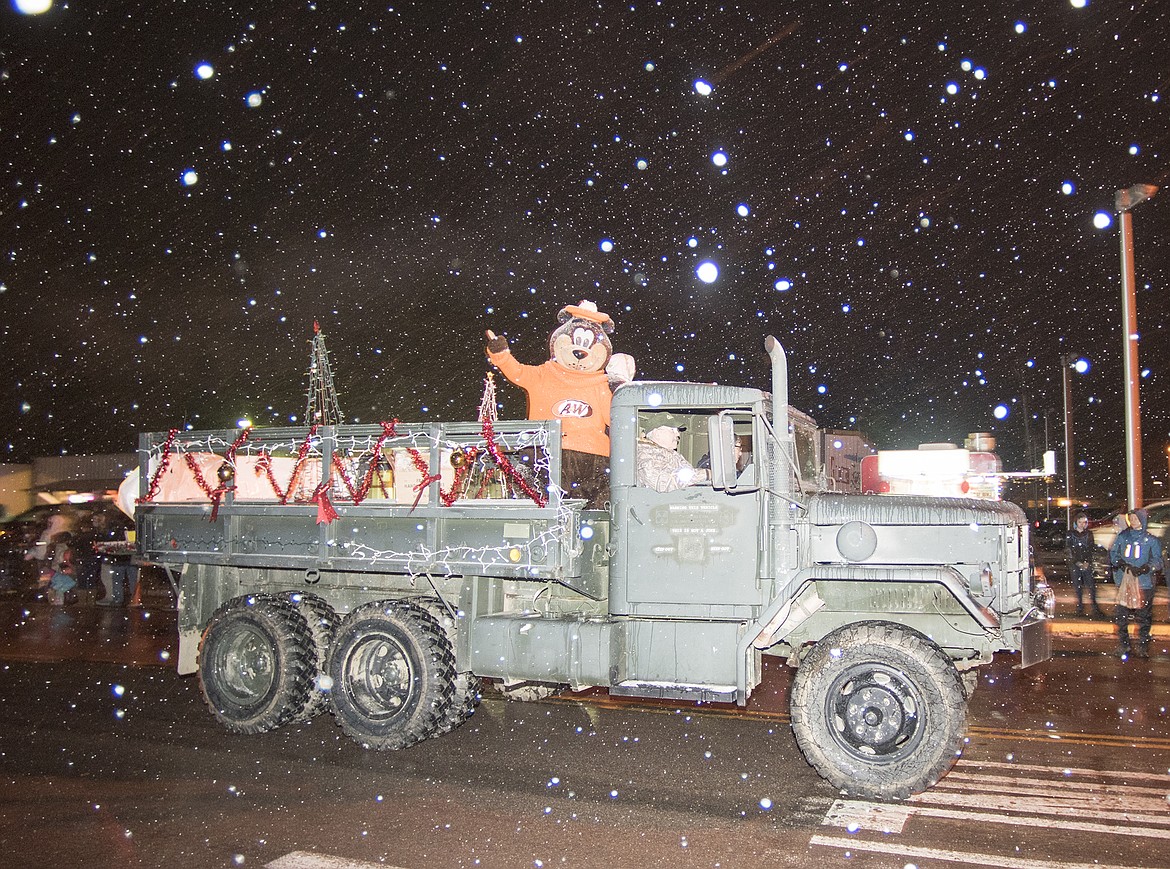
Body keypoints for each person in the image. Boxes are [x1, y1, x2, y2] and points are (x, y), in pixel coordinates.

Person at [1108, 509, 1162, 659]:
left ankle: (1142, 646)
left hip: (1144, 584)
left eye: (1136, 518)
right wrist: (1121, 564)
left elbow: (1158, 561)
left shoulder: (1151, 540)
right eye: (1131, 518)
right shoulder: (1123, 537)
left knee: (1144, 616)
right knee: (1121, 615)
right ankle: (1124, 645)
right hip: (1125, 582)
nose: (1133, 521)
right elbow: (1114, 554)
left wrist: (1145, 568)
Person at [636, 426, 710, 492]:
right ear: (657, 433)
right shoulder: (645, 455)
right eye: (672, 430)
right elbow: (663, 483)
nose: (678, 434)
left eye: (677, 430)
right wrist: (705, 474)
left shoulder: (672, 455)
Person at [1065, 512, 1105, 619]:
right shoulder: (1070, 534)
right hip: (1075, 564)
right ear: (1075, 522)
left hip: (1086, 563)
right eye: (1080, 522)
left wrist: (1087, 562)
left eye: (1084, 522)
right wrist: (1077, 562)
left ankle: (1094, 608)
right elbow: (1069, 550)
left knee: (1091, 586)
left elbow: (1090, 549)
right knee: (1078, 587)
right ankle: (1080, 607)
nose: (1082, 524)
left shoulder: (1089, 534)